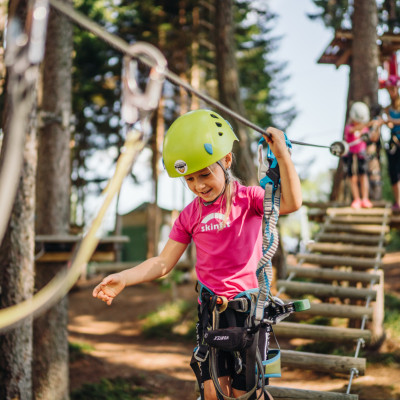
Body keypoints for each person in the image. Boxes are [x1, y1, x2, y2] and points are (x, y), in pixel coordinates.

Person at [92, 109, 302, 400]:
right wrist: (124, 278)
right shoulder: (189, 216)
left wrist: (283, 157)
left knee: (247, 394)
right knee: (214, 393)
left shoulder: (249, 199)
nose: (198, 186)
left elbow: (291, 202)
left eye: (205, 174)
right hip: (213, 314)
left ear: (226, 161)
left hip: (248, 315)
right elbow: (162, 262)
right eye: (189, 180)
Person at [343, 101, 377, 209]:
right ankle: (356, 199)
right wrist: (367, 124)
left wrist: (376, 127)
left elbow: (372, 137)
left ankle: (365, 199)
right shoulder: (349, 127)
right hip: (351, 155)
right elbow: (352, 130)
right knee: (352, 178)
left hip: (362, 155)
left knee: (363, 176)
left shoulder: (365, 129)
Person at [384, 85, 400, 212]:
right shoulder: (387, 109)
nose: (391, 92)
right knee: (394, 172)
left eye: (393, 89)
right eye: (389, 90)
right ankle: (398, 201)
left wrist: (391, 121)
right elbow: (390, 124)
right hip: (393, 141)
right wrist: (387, 122)